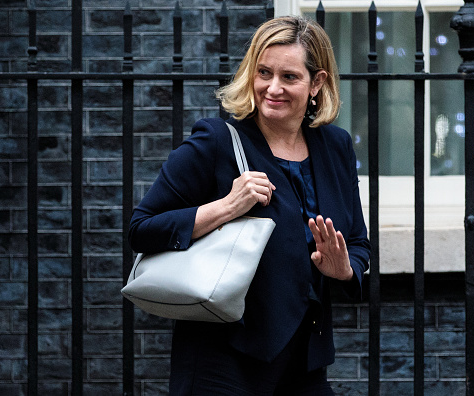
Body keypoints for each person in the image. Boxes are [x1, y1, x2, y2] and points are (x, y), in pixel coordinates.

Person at [128, 15, 370, 396]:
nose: (272, 88)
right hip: (224, 355)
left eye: (289, 77)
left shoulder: (334, 147)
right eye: (264, 73)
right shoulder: (216, 142)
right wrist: (226, 206)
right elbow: (142, 228)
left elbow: (357, 242)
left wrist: (345, 270)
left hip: (305, 357)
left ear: (317, 84)